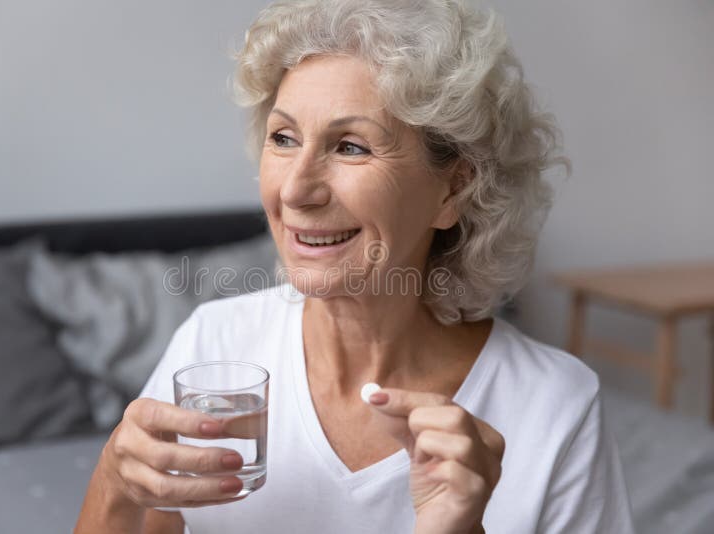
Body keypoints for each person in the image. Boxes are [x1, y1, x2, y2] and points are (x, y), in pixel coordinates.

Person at [75, 1, 635, 532]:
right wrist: (112, 482)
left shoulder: (555, 405)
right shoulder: (213, 342)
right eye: (284, 138)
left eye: (351, 147)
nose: (295, 189)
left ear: (453, 190)